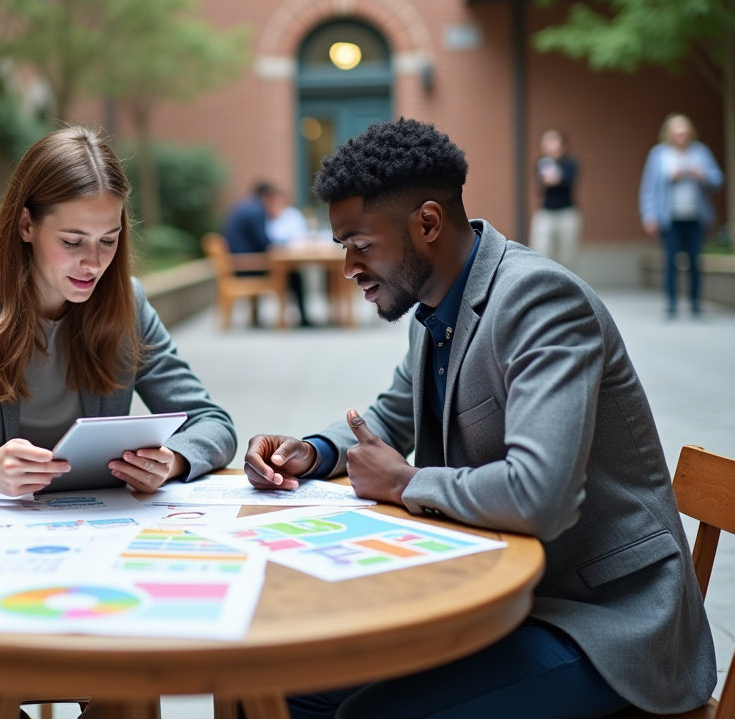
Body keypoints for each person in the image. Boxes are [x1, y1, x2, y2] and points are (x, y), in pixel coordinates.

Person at [243, 118, 715, 719]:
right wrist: (313, 452)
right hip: (502, 596)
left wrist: (407, 483)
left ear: (428, 223)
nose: (349, 268)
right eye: (343, 248)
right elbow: (391, 414)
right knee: (284, 682)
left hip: (606, 622)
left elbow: (541, 496)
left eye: (360, 245)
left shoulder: (540, 300)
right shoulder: (435, 308)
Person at [0, 126, 235, 496]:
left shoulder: (127, 304)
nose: (93, 263)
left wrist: (171, 462)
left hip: (100, 526)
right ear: (26, 225)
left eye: (108, 240)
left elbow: (213, 423)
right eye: (72, 242)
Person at [640, 113, 724, 317]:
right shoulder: (659, 154)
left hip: (695, 217)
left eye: (684, 132)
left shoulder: (700, 152)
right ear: (669, 134)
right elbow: (649, 187)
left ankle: (695, 303)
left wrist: (701, 174)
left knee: (695, 260)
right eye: (677, 133)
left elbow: (718, 179)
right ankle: (671, 303)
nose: (681, 136)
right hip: (669, 217)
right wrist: (649, 214)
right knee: (670, 260)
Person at [223, 181, 311, 326]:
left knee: (290, 271)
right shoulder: (256, 210)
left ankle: (298, 317)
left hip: (238, 264)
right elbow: (264, 242)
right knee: (293, 273)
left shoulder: (245, 207)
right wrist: (281, 247)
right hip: (246, 267)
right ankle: (302, 317)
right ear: (265, 196)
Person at [528, 129, 581, 271]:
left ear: (563, 144)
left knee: (567, 256)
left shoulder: (570, 163)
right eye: (546, 141)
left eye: (553, 140)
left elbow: (570, 180)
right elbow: (537, 189)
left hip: (567, 213)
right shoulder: (542, 163)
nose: (549, 144)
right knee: (540, 251)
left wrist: (557, 177)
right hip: (546, 212)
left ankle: (567, 283)